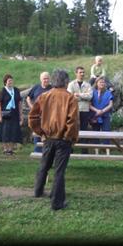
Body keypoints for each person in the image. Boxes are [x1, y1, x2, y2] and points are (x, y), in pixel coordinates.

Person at [28, 69, 79, 211]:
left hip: (48, 138)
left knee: (44, 165)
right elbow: (72, 121)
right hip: (63, 139)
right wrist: (69, 138)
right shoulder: (70, 98)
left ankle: (38, 191)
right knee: (59, 171)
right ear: (67, 82)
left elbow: (32, 118)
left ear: (53, 81)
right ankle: (57, 203)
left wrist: (41, 133)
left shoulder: (44, 96)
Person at [0, 74, 23, 155]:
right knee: (5, 132)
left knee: (14, 131)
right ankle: (5, 149)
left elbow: (19, 103)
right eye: (9, 80)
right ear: (5, 82)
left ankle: (10, 149)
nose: (10, 82)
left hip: (14, 114)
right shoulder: (2, 91)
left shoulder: (16, 90)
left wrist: (20, 115)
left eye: (11, 80)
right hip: (5, 114)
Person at [67, 66, 92, 153]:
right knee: (72, 128)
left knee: (84, 129)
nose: (82, 74)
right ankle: (70, 148)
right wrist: (83, 95)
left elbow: (90, 96)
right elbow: (70, 96)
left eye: (83, 72)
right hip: (74, 110)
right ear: (76, 73)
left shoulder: (88, 84)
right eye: (80, 72)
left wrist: (79, 95)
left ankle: (84, 150)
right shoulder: (71, 84)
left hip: (84, 110)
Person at [26, 72, 52, 153]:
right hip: (37, 116)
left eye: (47, 78)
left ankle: (47, 151)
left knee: (47, 133)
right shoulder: (36, 87)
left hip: (48, 116)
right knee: (37, 131)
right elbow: (28, 98)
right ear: (41, 79)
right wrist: (32, 107)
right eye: (44, 78)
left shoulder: (52, 88)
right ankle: (37, 151)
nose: (46, 80)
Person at [89, 76, 114, 144]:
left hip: (105, 116)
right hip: (95, 116)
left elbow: (110, 104)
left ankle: (106, 150)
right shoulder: (92, 92)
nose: (102, 83)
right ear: (96, 83)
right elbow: (89, 105)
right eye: (100, 82)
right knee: (95, 134)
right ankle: (96, 151)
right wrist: (97, 111)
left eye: (103, 82)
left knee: (106, 133)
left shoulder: (108, 92)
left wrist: (102, 111)